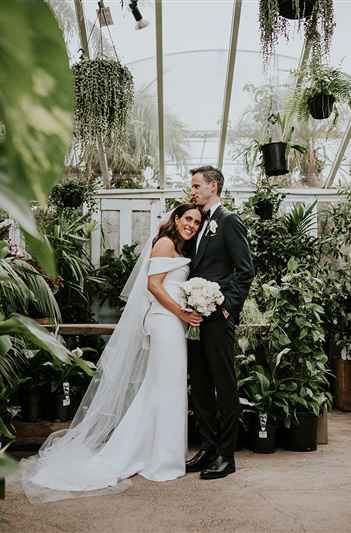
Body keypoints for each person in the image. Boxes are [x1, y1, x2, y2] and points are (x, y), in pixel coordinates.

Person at [22, 204, 203, 503]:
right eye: (188, 219)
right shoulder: (165, 242)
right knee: (166, 388)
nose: (192, 225)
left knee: (162, 388)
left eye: (196, 222)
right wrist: (182, 312)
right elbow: (154, 286)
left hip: (172, 323)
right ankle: (161, 458)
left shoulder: (177, 245)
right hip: (165, 321)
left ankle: (158, 451)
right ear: (176, 219)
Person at [186, 166, 255, 480]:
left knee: (224, 387)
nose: (193, 191)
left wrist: (227, 307)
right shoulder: (200, 223)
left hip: (219, 319)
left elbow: (245, 270)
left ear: (214, 186)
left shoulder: (229, 221)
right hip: (196, 319)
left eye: (198, 185)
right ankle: (208, 448)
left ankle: (226, 456)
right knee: (199, 386)